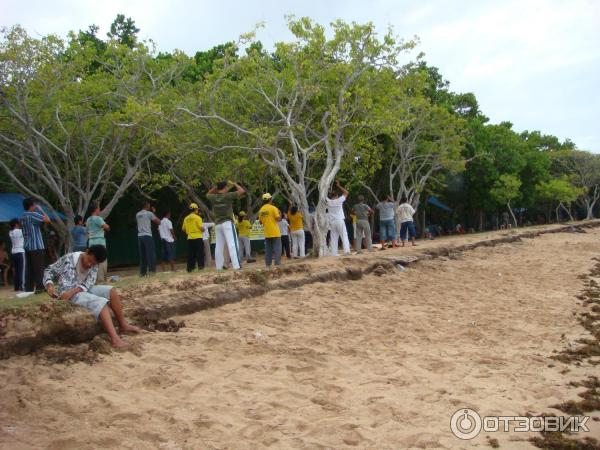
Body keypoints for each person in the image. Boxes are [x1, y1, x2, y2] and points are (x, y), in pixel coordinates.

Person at [43, 245, 140, 348]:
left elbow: (89, 283)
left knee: (112, 291)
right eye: (89, 260)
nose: (90, 265)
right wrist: (49, 285)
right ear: (87, 251)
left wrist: (74, 291)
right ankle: (115, 339)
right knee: (101, 303)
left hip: (81, 289)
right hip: (67, 294)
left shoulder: (94, 264)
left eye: (93, 263)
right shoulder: (69, 259)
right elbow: (49, 270)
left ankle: (123, 325)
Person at [207, 181, 246, 270]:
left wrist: (215, 187)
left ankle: (219, 267)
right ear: (225, 188)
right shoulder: (228, 196)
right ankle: (237, 266)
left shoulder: (213, 197)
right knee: (232, 244)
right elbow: (242, 191)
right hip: (227, 223)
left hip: (217, 224)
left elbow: (207, 194)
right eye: (226, 187)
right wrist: (235, 184)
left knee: (219, 246)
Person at [20, 197, 51, 292]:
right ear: (31, 205)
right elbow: (48, 220)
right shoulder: (33, 215)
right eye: (34, 204)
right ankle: (40, 287)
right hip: (37, 246)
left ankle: (28, 288)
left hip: (27, 246)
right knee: (39, 268)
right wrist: (41, 210)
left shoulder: (22, 217)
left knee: (29, 269)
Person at [86, 204, 110, 282]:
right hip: (99, 241)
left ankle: (93, 279)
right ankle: (101, 278)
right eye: (99, 208)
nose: (99, 210)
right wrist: (105, 229)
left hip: (91, 242)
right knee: (101, 260)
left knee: (93, 261)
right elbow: (107, 227)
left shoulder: (88, 220)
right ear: (96, 210)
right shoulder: (98, 218)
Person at [326, 180, 350, 256]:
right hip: (339, 220)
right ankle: (346, 251)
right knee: (344, 235)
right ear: (336, 196)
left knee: (333, 238)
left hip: (332, 222)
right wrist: (339, 186)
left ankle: (334, 253)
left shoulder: (328, 202)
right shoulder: (339, 200)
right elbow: (346, 192)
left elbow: (324, 196)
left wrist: (326, 188)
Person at [136, 202, 160, 277]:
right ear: (147, 206)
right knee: (150, 254)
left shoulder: (137, 214)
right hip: (147, 235)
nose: (149, 207)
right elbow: (158, 221)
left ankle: (142, 273)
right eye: (149, 206)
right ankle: (152, 271)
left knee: (143, 255)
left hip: (140, 236)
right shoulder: (149, 213)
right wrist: (154, 212)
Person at [259, 193, 282, 267]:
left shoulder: (261, 210)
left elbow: (260, 222)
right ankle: (277, 264)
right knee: (277, 249)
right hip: (275, 232)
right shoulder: (273, 208)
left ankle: (268, 265)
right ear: (270, 199)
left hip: (267, 232)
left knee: (268, 250)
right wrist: (280, 213)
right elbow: (278, 219)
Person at [182, 203, 205, 272]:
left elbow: (183, 229)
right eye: (197, 209)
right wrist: (203, 229)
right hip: (198, 237)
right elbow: (201, 228)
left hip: (190, 238)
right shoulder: (198, 218)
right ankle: (201, 266)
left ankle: (190, 268)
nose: (197, 211)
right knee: (200, 253)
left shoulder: (186, 218)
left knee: (191, 254)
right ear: (195, 209)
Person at [8, 218, 25, 291]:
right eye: (18, 223)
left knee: (16, 270)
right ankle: (22, 285)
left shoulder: (10, 232)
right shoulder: (20, 231)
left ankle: (16, 286)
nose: (19, 225)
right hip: (20, 251)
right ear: (16, 224)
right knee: (22, 270)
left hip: (14, 252)